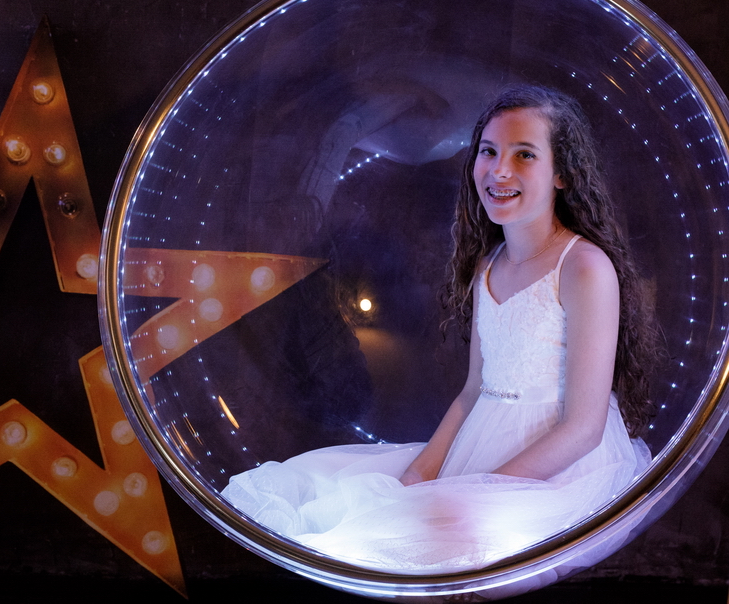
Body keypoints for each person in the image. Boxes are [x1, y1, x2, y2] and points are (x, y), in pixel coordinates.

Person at [220, 85, 659, 573]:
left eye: (525, 154)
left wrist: (482, 494)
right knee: (344, 500)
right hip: (482, 438)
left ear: (563, 173)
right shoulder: (489, 265)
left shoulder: (584, 268)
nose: (500, 170)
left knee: (439, 549)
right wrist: (420, 472)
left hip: (557, 465)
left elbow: (583, 428)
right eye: (488, 152)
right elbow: (473, 392)